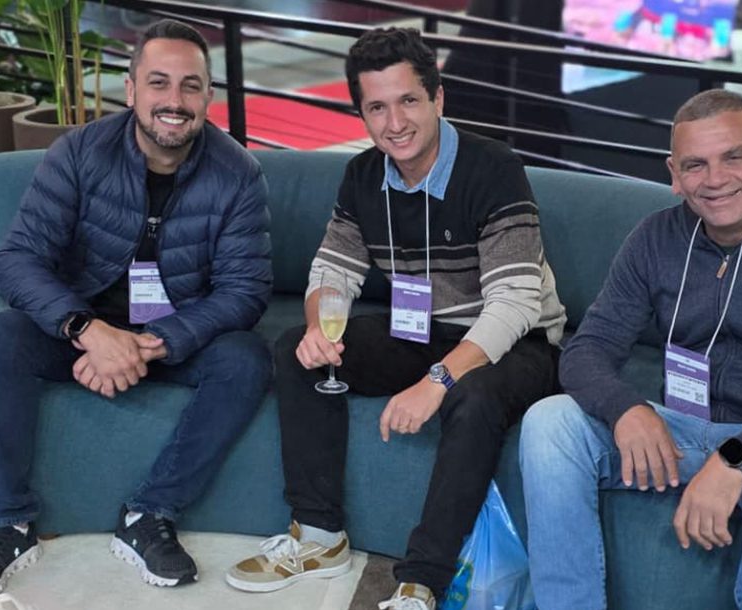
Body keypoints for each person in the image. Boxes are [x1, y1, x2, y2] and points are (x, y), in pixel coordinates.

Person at [226, 27, 566, 610]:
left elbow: (514, 304)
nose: (395, 122)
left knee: (473, 397)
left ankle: (423, 581)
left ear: (438, 98)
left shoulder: (493, 167)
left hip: (517, 342)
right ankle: (319, 536)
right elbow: (331, 273)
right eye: (377, 107)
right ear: (361, 113)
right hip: (422, 331)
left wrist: (437, 381)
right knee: (294, 351)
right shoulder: (364, 176)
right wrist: (319, 327)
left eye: (408, 100)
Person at [520, 88, 742, 610]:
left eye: (733, 157)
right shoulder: (655, 238)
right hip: (685, 430)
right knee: (550, 422)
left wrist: (739, 457)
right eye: (695, 165)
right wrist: (626, 409)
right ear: (674, 173)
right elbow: (587, 349)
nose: (715, 179)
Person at [0, 19, 273, 588]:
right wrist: (88, 331)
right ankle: (6, 522)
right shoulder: (80, 153)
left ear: (208, 96)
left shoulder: (237, 174)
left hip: (171, 336)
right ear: (131, 90)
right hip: (81, 328)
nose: (174, 101)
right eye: (158, 83)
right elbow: (19, 258)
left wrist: (152, 344)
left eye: (190, 85)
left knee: (246, 358)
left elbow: (244, 290)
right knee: (2, 336)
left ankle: (149, 515)